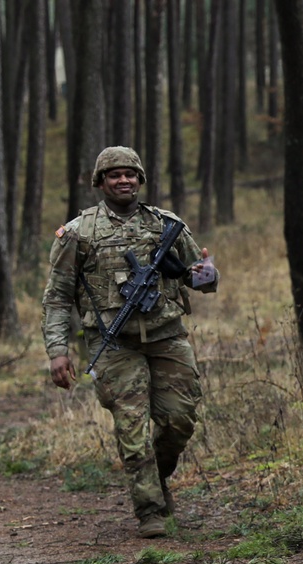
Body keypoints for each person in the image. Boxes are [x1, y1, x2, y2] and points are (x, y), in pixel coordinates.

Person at [41, 146, 218, 539]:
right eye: (114, 174)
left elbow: (202, 279)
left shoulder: (166, 224)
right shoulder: (78, 233)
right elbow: (57, 297)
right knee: (132, 429)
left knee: (178, 420)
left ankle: (156, 478)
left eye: (130, 174)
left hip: (167, 337)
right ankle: (150, 509)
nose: (124, 180)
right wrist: (58, 351)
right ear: (100, 182)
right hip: (113, 343)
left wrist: (204, 272)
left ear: (140, 179)